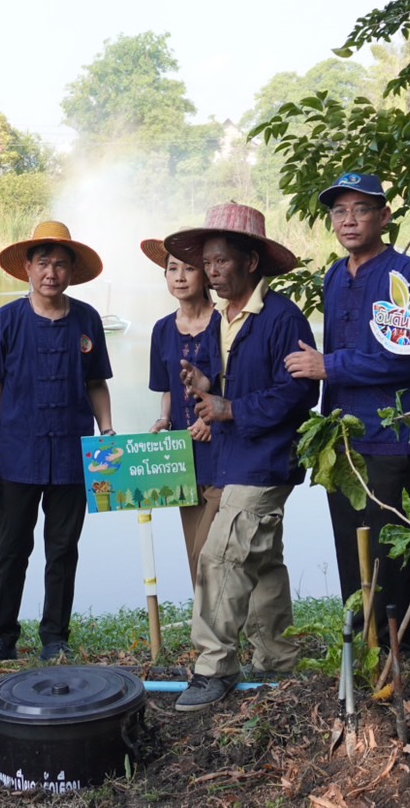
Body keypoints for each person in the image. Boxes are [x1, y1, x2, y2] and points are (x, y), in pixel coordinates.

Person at [164, 203, 318, 711]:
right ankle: (276, 660)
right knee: (263, 560)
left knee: (221, 554)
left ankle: (213, 669)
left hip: (267, 458)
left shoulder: (282, 317)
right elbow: (218, 379)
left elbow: (298, 395)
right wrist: (203, 386)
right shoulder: (221, 318)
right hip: (233, 457)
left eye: (220, 260)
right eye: (205, 262)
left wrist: (231, 407)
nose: (210, 271)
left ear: (251, 262)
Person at [285, 172, 410, 658]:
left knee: (389, 545)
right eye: (339, 211)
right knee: (349, 540)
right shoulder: (334, 275)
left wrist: (329, 365)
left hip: (389, 429)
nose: (348, 220)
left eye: (361, 209)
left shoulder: (405, 274)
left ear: (384, 216)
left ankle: (399, 644)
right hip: (341, 434)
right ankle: (360, 636)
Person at [0, 221, 113, 666]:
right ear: (27, 268)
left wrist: (106, 436)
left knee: (63, 550)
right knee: (11, 550)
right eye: (44, 263)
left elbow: (96, 384)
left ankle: (55, 636)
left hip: (73, 457)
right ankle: (2, 637)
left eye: (61, 265)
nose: (51, 273)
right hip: (17, 458)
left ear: (72, 271)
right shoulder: (6, 321)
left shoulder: (87, 319)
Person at [141, 238, 218, 585]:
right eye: (173, 268)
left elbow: (238, 381)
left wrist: (208, 418)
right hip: (182, 452)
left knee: (217, 548)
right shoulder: (161, 329)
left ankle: (231, 630)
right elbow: (168, 388)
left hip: (224, 447)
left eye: (189, 268)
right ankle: (208, 632)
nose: (180, 277)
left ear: (206, 275)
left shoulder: (225, 323)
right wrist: (163, 419)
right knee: (194, 550)